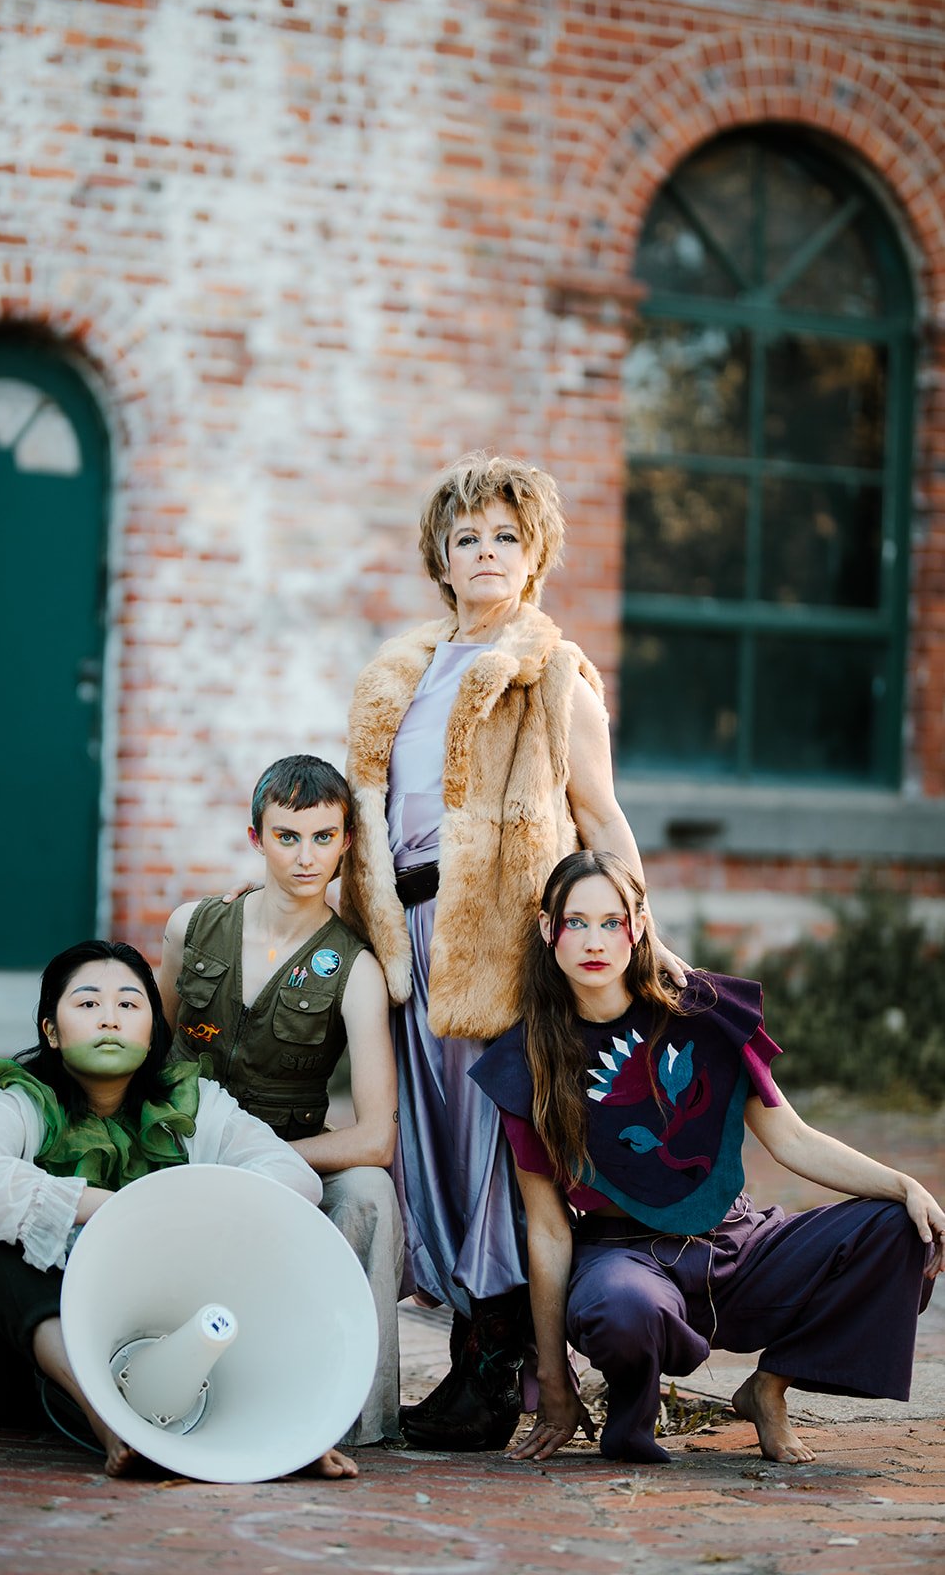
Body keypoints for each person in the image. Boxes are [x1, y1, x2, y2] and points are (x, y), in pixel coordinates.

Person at [341, 450, 687, 1451]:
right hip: (408, 936)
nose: (485, 552)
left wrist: (641, 940)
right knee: (429, 1157)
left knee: (492, 1153)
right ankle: (474, 1347)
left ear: (532, 557)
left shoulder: (552, 674)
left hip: (492, 934)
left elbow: (600, 818)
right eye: (466, 539)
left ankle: (495, 1369)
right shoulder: (403, 673)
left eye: (505, 536)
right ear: (439, 562)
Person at [470, 850, 944, 1466]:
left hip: (736, 1242)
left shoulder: (702, 1015)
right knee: (622, 1307)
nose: (595, 941)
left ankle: (768, 1389)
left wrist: (904, 1184)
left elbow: (791, 1139)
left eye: (613, 921)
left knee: (900, 1227)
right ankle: (632, 1413)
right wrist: (555, 1383)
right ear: (546, 929)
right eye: (576, 922)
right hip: (623, 1259)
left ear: (640, 926)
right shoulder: (526, 1062)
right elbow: (551, 1231)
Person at [0, 939, 358, 1480]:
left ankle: (284, 1430)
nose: (110, 1018)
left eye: (129, 1005)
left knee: (263, 1237)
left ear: (153, 1027)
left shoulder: (195, 1107)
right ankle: (105, 1418)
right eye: (87, 1004)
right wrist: (108, 1208)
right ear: (52, 1032)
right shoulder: (21, 1102)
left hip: (144, 1365)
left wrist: (182, 1214)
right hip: (4, 1375)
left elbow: (290, 1179)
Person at [158, 754, 403, 1448]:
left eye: (323, 837)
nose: (305, 857)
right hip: (176, 1141)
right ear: (255, 838)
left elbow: (374, 1138)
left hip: (285, 1157)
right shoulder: (191, 928)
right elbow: (150, 1054)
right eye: (287, 837)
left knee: (370, 1195)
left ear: (347, 841)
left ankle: (352, 1418)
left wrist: (266, 1161)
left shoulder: (354, 970)